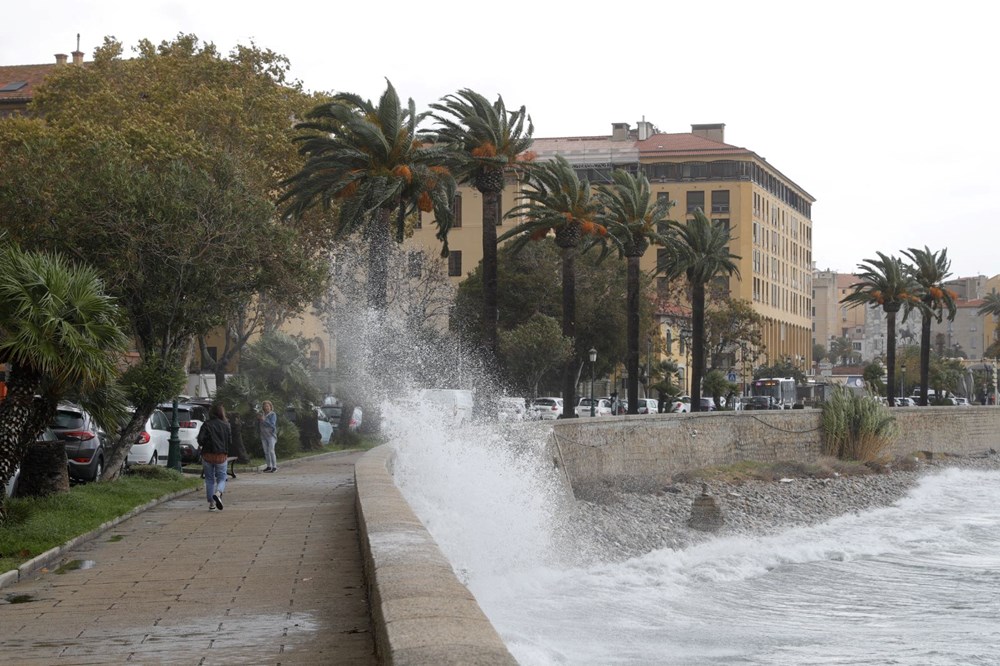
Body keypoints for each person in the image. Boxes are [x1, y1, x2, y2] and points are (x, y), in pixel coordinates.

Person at [197, 403, 231, 512]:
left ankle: (211, 504)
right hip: (221, 455)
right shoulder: (226, 425)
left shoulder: (206, 424)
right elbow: (230, 441)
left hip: (207, 454)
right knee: (222, 477)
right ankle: (218, 492)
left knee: (209, 479)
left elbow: (200, 440)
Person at [258, 400, 278, 472]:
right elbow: (260, 425)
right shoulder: (262, 414)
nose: (266, 407)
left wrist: (264, 420)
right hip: (263, 436)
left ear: (270, 407)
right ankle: (269, 466)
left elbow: (272, 425)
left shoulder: (273, 414)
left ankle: (274, 467)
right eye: (265, 406)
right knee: (266, 451)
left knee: (271, 451)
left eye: (268, 406)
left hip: (271, 435)